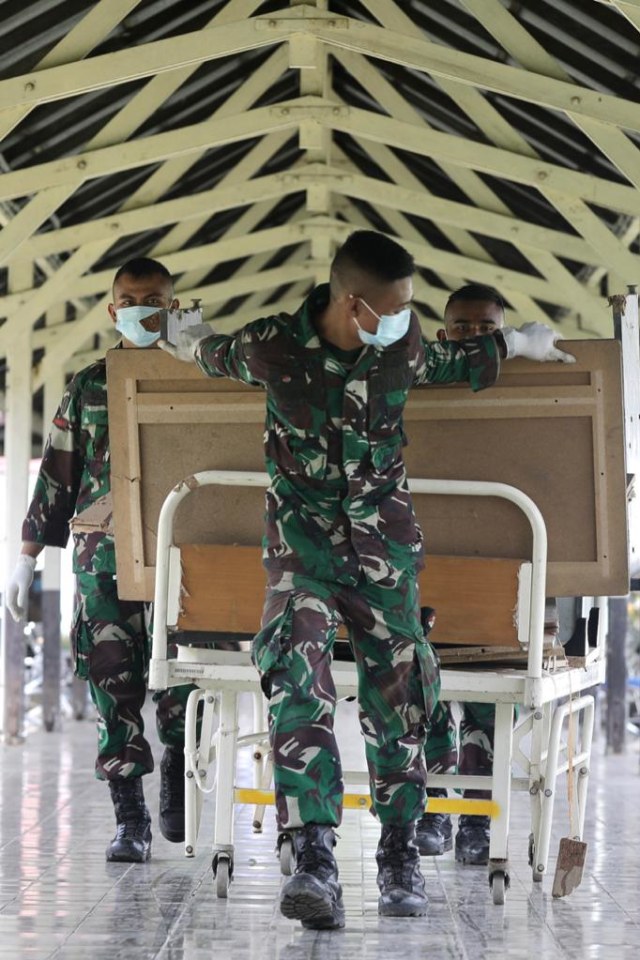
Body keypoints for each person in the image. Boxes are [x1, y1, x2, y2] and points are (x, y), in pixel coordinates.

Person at [160, 232, 574, 929]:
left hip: (385, 559)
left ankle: (399, 853)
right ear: (354, 305)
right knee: (295, 677)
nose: (406, 317)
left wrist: (519, 344)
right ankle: (315, 858)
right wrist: (184, 337)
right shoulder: (273, 346)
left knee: (401, 697)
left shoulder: (400, 346)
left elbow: (447, 359)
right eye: (396, 305)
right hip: (302, 557)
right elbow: (212, 352)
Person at [5, 257, 193, 864]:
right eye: (129, 301)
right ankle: (129, 816)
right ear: (113, 310)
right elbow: (57, 474)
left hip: (181, 561)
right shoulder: (90, 385)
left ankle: (177, 767)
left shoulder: (196, 374)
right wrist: (27, 558)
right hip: (103, 560)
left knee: (182, 682)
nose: (141, 310)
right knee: (113, 683)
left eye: (153, 300)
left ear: (173, 306)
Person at [414, 284, 532, 866]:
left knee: (488, 708)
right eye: (463, 328)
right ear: (442, 336)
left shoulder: (522, 396)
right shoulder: (417, 390)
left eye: (488, 329)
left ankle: (477, 821)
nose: (475, 338)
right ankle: (435, 805)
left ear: (503, 334)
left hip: (494, 583)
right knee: (422, 688)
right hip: (426, 573)